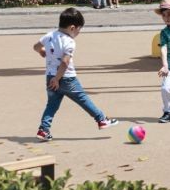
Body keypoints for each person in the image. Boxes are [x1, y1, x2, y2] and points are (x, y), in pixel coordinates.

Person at [34, 8, 119, 141]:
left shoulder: (49, 35)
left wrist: (42, 51)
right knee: (82, 98)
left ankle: (43, 129)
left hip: (50, 77)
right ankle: (101, 119)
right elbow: (65, 62)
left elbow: (35, 46)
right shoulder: (69, 41)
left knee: (51, 105)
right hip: (66, 78)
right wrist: (57, 78)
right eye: (79, 30)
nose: (79, 32)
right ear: (72, 28)